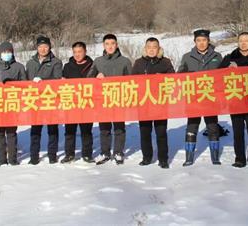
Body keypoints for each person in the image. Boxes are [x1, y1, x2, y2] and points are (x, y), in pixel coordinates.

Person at [177, 29, 223, 166]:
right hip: (193, 98)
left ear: (208, 41)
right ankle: (189, 157)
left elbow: (223, 75)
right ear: (195, 42)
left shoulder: (217, 56)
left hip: (210, 97)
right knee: (192, 127)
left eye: (204, 40)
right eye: (198, 40)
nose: (201, 43)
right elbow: (179, 75)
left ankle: (215, 157)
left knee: (212, 127)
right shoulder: (187, 57)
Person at [220, 32, 248, 170]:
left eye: (246, 40)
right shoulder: (229, 58)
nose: (243, 43)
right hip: (235, 101)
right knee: (238, 133)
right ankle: (240, 159)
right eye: (241, 41)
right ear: (238, 42)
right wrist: (227, 68)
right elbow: (217, 75)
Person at [132, 37, 175, 169]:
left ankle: (163, 159)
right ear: (145, 49)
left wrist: (162, 78)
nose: (151, 50)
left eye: (154, 47)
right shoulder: (138, 63)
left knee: (161, 133)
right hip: (144, 103)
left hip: (160, 103)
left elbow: (174, 79)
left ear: (159, 48)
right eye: (149, 47)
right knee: (145, 132)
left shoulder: (165, 62)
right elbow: (132, 82)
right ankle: (147, 157)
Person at [91, 34, 132, 165]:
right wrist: (96, 77)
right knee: (104, 128)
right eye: (107, 44)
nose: (110, 46)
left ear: (117, 45)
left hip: (119, 99)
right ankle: (105, 153)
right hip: (102, 100)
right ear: (103, 45)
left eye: (112, 43)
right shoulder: (98, 61)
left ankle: (118, 152)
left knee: (119, 127)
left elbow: (132, 81)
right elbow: (88, 80)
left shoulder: (125, 61)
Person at [0, 41, 27, 167]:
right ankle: (1, 159)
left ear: (12, 52)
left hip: (12, 104)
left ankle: (13, 158)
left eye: (9, 52)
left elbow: (25, 85)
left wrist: (13, 83)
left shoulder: (19, 67)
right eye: (4, 52)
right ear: (0, 53)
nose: (6, 54)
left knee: (11, 133)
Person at [26, 35, 63, 165]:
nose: (43, 49)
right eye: (40, 46)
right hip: (35, 101)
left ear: (49, 47)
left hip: (50, 99)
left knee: (52, 129)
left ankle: (52, 155)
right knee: (35, 129)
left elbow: (57, 79)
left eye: (45, 46)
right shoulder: (30, 63)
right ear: (37, 47)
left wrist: (43, 81)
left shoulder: (56, 62)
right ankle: (34, 156)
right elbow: (26, 81)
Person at [61, 41, 95, 164]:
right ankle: (69, 154)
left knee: (86, 131)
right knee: (70, 131)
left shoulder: (92, 65)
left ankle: (87, 154)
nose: (77, 54)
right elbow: (62, 83)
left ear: (85, 52)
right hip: (71, 103)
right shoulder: (67, 66)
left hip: (87, 103)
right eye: (75, 52)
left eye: (80, 52)